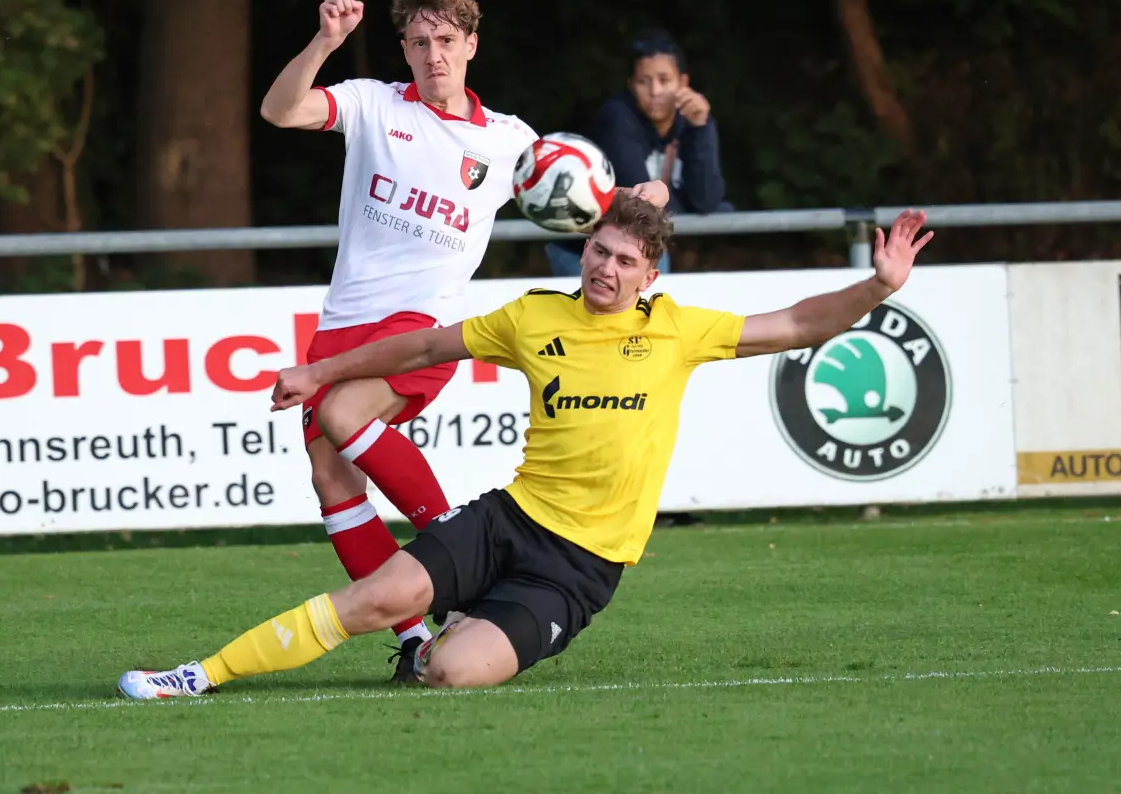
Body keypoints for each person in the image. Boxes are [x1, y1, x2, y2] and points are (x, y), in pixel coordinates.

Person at [117, 199, 932, 698]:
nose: (605, 268)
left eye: (625, 261)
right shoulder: (533, 317)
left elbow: (796, 324)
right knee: (374, 602)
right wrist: (320, 371)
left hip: (579, 568)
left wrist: (878, 286)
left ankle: (460, 623)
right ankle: (197, 675)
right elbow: (421, 348)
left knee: (448, 674)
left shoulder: (679, 330)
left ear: (649, 276)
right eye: (599, 251)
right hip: (508, 519)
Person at [255, 0, 669, 683]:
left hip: (422, 325)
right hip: (345, 319)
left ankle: (468, 554)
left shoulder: (509, 140)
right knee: (329, 476)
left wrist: (643, 193)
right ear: (404, 50)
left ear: (471, 45)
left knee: (342, 412)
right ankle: (415, 637)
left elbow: (587, 195)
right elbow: (280, 110)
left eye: (447, 40)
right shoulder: (372, 104)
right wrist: (326, 41)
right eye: (419, 42)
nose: (434, 54)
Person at [545, 30, 728, 277]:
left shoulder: (692, 120)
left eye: (664, 80)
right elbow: (639, 206)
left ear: (683, 83)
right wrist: (681, 203)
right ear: (632, 85)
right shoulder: (617, 119)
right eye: (644, 81)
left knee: (652, 260)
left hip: (633, 245)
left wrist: (700, 128)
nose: (655, 91)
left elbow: (706, 199)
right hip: (583, 249)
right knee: (651, 258)